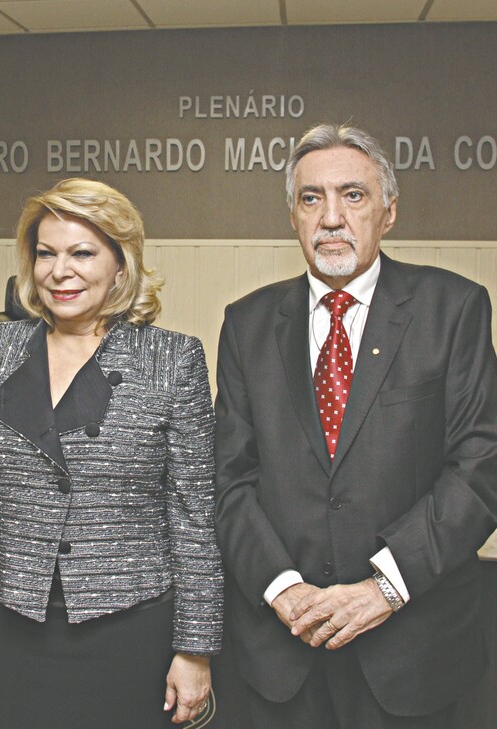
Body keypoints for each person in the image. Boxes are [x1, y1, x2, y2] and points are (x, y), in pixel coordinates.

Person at [213, 123, 497, 729]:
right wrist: (282, 588)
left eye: (353, 195)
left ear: (388, 212)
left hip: (412, 653)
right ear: (293, 216)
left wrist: (384, 587)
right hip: (282, 652)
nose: (331, 217)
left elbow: (480, 465)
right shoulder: (248, 323)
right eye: (311, 198)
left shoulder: (455, 309)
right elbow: (229, 479)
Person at [0, 178, 223, 727]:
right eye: (45, 253)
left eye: (82, 253)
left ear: (120, 264)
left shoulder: (173, 359)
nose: (59, 271)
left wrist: (195, 648)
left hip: (128, 630)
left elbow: (193, 515)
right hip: (7, 622)